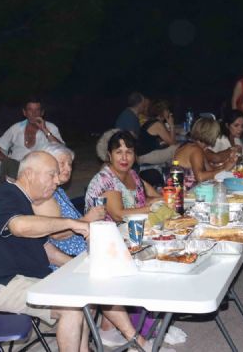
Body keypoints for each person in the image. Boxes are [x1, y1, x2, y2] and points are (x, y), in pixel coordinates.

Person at [35, 144, 160, 349]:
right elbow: (54, 234)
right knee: (106, 277)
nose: (67, 168)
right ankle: (136, 339)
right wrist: (87, 219)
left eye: (69, 164)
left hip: (84, 251)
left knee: (135, 255)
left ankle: (112, 329)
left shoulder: (58, 191)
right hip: (63, 262)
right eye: (61, 164)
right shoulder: (46, 196)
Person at [0, 151, 95, 351]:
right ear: (29, 174)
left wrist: (82, 266)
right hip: (2, 286)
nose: (57, 180)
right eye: (51, 174)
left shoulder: (26, 202)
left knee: (83, 293)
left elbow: (47, 250)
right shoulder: (1, 197)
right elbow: (18, 227)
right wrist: (70, 222)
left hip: (28, 278)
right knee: (71, 309)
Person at [85, 130, 162, 222]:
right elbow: (119, 215)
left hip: (133, 229)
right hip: (108, 233)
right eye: (119, 152)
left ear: (135, 156)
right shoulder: (105, 179)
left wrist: (168, 199)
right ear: (110, 156)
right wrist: (153, 208)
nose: (124, 158)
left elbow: (156, 197)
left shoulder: (132, 174)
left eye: (129, 152)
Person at [0, 96, 64, 179]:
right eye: (30, 110)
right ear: (24, 112)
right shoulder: (16, 128)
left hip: (41, 171)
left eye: (37, 110)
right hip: (16, 170)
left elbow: (62, 150)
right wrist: (7, 161)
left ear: (42, 113)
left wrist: (44, 130)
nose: (34, 113)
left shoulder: (50, 128)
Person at [172, 118, 237, 190]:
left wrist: (227, 165)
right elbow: (200, 177)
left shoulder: (194, 147)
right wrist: (224, 168)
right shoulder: (195, 150)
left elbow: (209, 171)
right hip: (183, 194)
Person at [136, 100, 178, 165]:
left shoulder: (154, 121)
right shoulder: (157, 124)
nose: (170, 113)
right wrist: (172, 125)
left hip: (146, 154)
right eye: (168, 110)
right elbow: (173, 143)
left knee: (171, 148)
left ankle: (170, 168)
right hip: (144, 157)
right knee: (176, 148)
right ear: (163, 111)